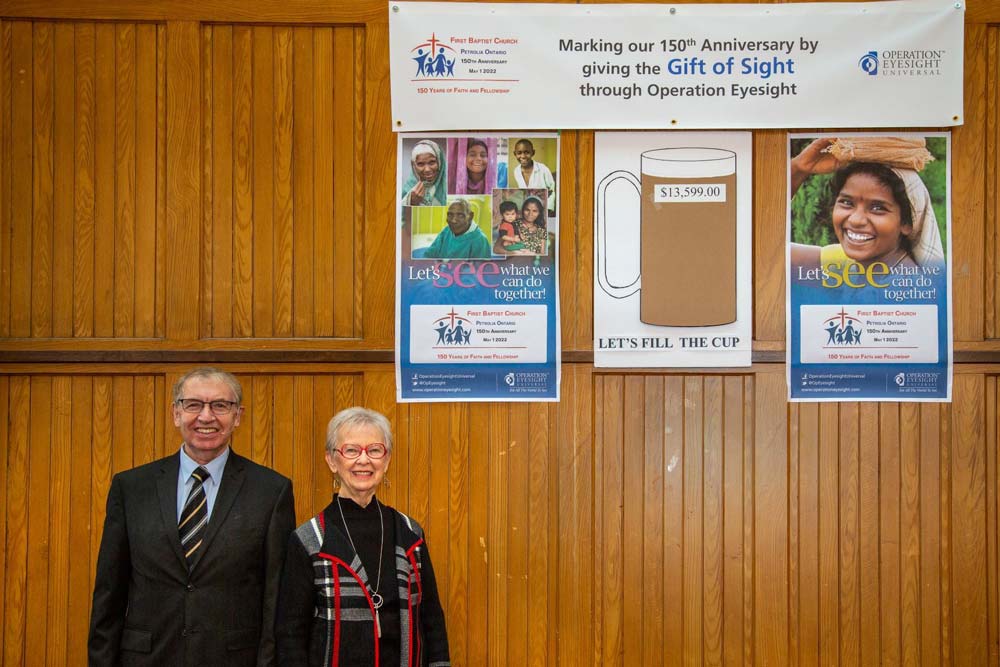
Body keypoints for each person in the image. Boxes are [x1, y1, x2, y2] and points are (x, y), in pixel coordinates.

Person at [89, 367, 296, 666]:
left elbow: (275, 597)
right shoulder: (131, 488)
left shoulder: (271, 491)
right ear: (176, 413)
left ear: (237, 416)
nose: (206, 417)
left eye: (220, 405)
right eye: (193, 404)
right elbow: (109, 592)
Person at [276, 407, 450, 666]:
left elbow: (432, 619)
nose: (364, 460)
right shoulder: (309, 539)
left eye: (375, 450)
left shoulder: (409, 533)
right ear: (332, 460)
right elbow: (291, 634)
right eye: (351, 450)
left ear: (387, 460)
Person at [790, 137, 945, 271]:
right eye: (847, 202)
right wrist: (798, 168)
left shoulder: (908, 289)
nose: (856, 220)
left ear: (907, 222)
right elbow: (769, 251)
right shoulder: (849, 266)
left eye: (878, 208)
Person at [423, 198, 492, 259]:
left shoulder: (480, 241)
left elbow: (480, 270)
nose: (453, 220)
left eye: (460, 215)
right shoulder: (447, 231)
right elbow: (430, 254)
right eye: (450, 214)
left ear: (470, 216)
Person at [511, 139, 556, 214]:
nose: (523, 156)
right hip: (529, 208)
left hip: (545, 208)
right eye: (519, 153)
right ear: (515, 154)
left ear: (533, 153)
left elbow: (553, 190)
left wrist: (549, 210)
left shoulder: (543, 169)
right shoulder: (516, 171)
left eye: (527, 152)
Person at [401, 139, 447, 206]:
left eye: (432, 162)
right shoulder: (408, 188)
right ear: (414, 166)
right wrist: (411, 202)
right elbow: (399, 214)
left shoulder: (450, 186)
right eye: (420, 164)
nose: (427, 170)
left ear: (440, 162)